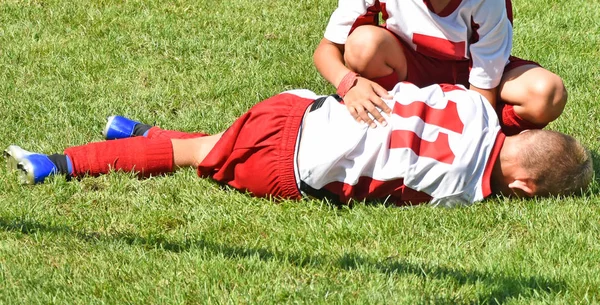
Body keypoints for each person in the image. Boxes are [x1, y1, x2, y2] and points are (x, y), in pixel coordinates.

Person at [4, 83, 592, 207]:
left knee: (212, 144)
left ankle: (133, 132)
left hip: (297, 107)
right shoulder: (466, 194)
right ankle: (57, 163)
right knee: (196, 156)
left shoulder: (472, 104)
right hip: (289, 164)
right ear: (522, 185)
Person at [314, 0, 567, 136]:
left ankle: (497, 139)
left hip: (472, 75)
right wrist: (350, 83)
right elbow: (327, 49)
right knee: (362, 45)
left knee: (547, 93)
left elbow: (483, 93)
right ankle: (392, 118)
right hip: (408, 69)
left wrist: (472, 134)